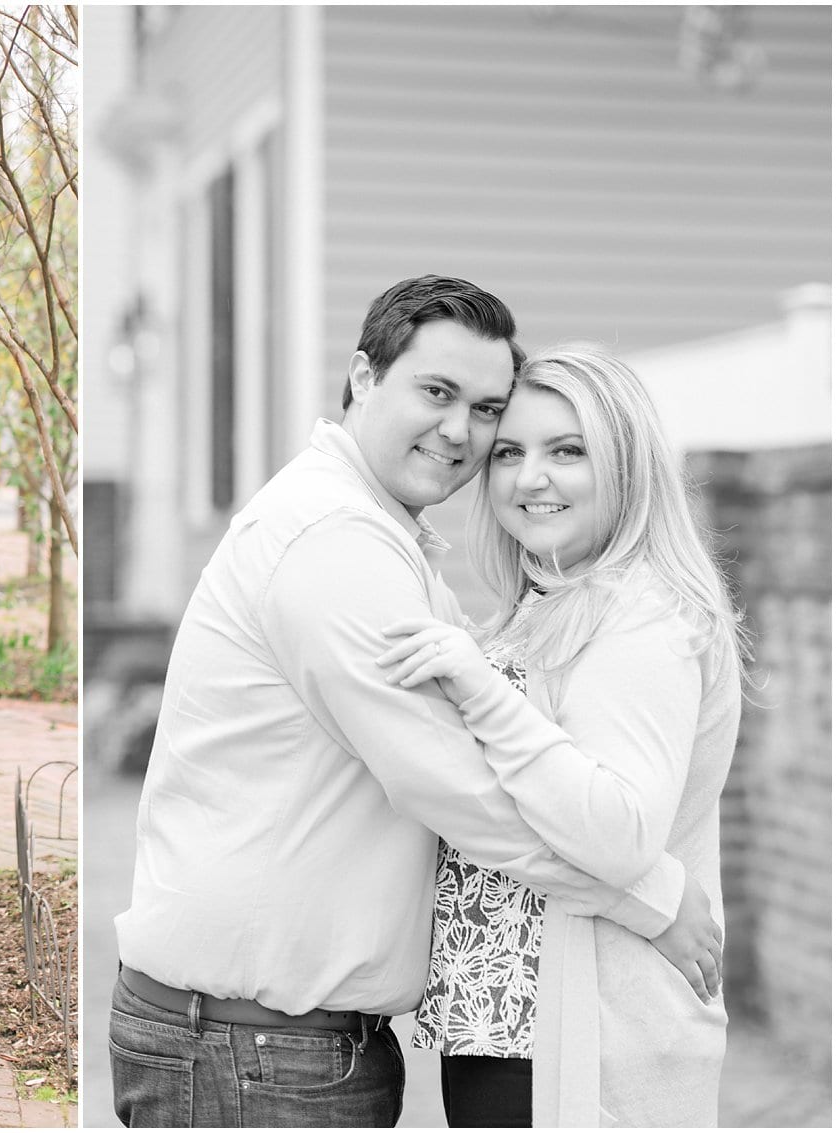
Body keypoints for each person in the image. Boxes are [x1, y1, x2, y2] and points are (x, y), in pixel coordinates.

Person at [109, 276, 723, 1128]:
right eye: (437, 393)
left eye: (483, 410)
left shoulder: (419, 550)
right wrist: (647, 896)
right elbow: (450, 783)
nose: (460, 433)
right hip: (252, 1049)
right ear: (364, 377)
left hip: (292, 1047)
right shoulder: (335, 542)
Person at [377, 346, 746, 1126]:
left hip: (586, 1038)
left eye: (566, 450)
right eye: (508, 452)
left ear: (626, 465)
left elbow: (616, 831)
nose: (526, 478)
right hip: (507, 1030)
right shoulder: (552, 604)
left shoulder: (639, 615)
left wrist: (479, 687)